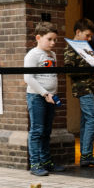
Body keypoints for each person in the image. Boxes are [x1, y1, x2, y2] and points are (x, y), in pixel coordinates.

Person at [23, 21, 65, 177]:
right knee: (37, 131)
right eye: (50, 39)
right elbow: (28, 78)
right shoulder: (32, 55)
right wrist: (44, 93)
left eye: (55, 40)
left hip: (50, 97)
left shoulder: (52, 55)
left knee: (47, 131)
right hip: (37, 97)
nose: (53, 43)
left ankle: (47, 162)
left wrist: (52, 94)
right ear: (38, 37)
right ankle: (35, 164)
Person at [64, 18, 94, 167]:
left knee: (86, 121)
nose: (90, 39)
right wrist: (90, 70)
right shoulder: (71, 48)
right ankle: (87, 155)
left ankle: (85, 155)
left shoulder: (85, 47)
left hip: (91, 86)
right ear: (78, 32)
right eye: (87, 35)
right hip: (83, 88)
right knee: (93, 119)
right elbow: (69, 70)